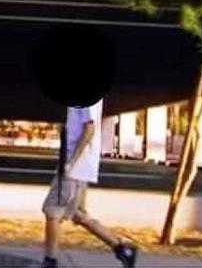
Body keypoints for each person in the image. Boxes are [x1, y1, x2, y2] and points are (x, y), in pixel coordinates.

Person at [41, 99, 138, 268]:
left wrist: (71, 162)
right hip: (78, 167)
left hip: (74, 168)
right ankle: (122, 249)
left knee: (52, 212)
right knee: (78, 214)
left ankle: (50, 261)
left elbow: (89, 129)